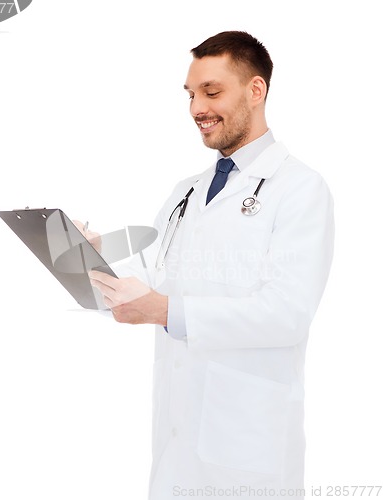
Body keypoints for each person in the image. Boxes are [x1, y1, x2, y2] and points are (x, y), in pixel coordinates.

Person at [80, 31, 334, 500]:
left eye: (211, 92)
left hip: (248, 452)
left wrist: (165, 311)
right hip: (177, 445)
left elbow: (287, 314)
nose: (197, 107)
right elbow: (156, 282)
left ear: (256, 91)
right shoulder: (186, 192)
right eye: (191, 94)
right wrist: (86, 262)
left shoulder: (299, 189)